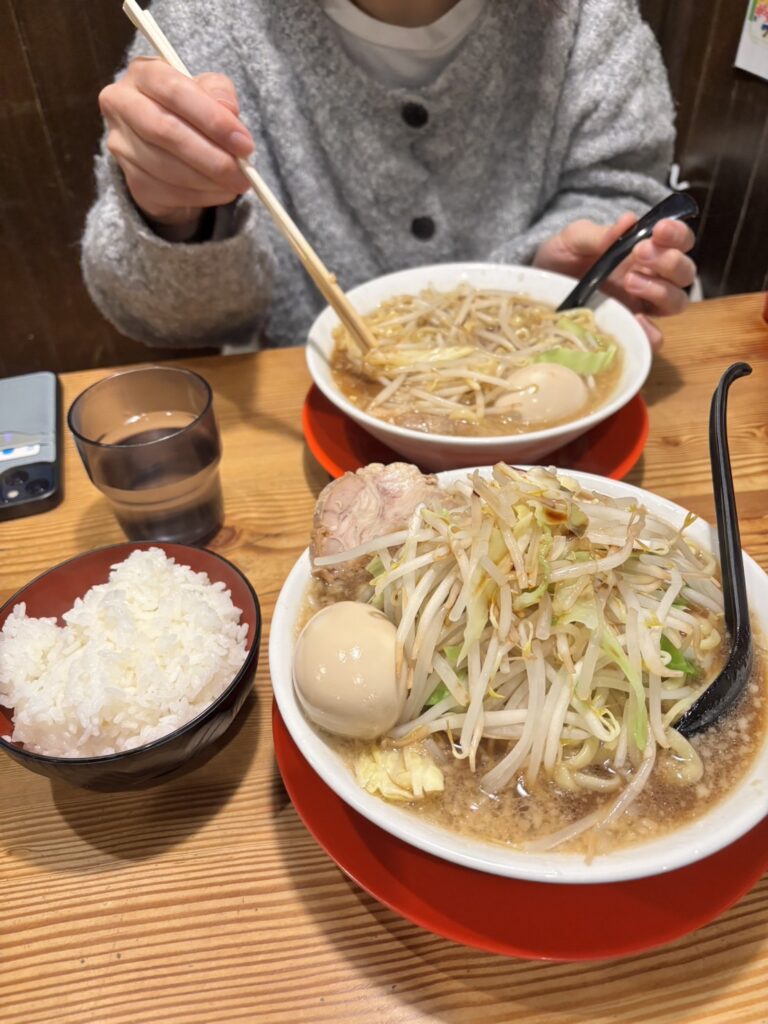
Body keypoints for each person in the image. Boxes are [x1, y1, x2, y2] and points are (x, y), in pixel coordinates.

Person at [82, 0, 696, 352]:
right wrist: (171, 216)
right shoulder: (202, 20)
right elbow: (162, 316)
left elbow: (619, 184)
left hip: (540, 386)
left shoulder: (586, 15)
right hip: (302, 409)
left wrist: (543, 273)